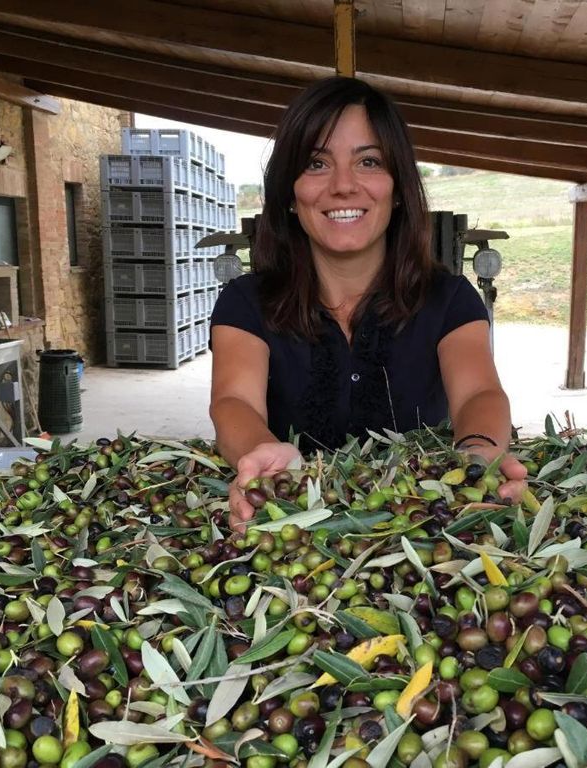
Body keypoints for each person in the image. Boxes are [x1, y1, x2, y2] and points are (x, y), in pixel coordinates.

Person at [208, 76, 526, 530]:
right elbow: (234, 401)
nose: (343, 186)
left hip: (420, 525)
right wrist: (262, 454)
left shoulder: (449, 299)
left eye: (369, 161)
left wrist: (479, 452)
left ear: (397, 189)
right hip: (291, 522)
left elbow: (478, 391)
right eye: (316, 163)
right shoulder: (246, 302)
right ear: (290, 195)